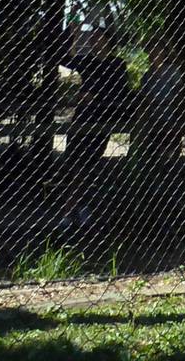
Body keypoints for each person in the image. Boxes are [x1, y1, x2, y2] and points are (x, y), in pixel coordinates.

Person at [61, 25, 132, 229]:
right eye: (91, 38)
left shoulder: (117, 65)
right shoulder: (88, 61)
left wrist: (96, 97)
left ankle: (77, 209)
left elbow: (120, 91)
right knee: (75, 164)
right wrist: (71, 35)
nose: (93, 41)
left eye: (98, 38)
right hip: (82, 117)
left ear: (108, 41)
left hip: (101, 119)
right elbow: (66, 58)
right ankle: (76, 208)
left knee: (89, 165)